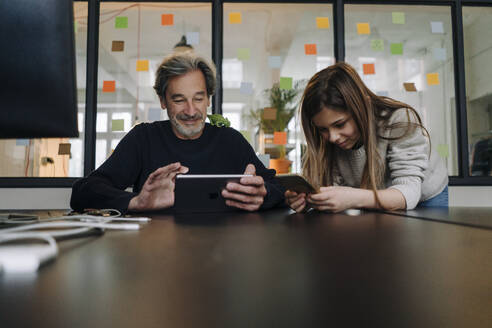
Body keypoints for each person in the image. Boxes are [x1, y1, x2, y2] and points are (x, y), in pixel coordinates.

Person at [70, 52, 285, 213]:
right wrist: (136, 202)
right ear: (163, 101)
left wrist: (262, 194)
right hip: (157, 253)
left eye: (198, 99)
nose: (191, 111)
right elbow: (83, 192)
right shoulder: (143, 139)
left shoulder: (231, 140)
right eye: (179, 100)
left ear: (209, 99)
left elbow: (278, 189)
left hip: (222, 253)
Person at [285, 62, 448, 213]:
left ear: (361, 107)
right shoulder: (331, 140)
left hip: (425, 196)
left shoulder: (399, 120)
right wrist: (311, 201)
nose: (333, 137)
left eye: (340, 124)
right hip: (375, 197)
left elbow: (409, 194)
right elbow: (337, 189)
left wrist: (352, 197)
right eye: (323, 129)